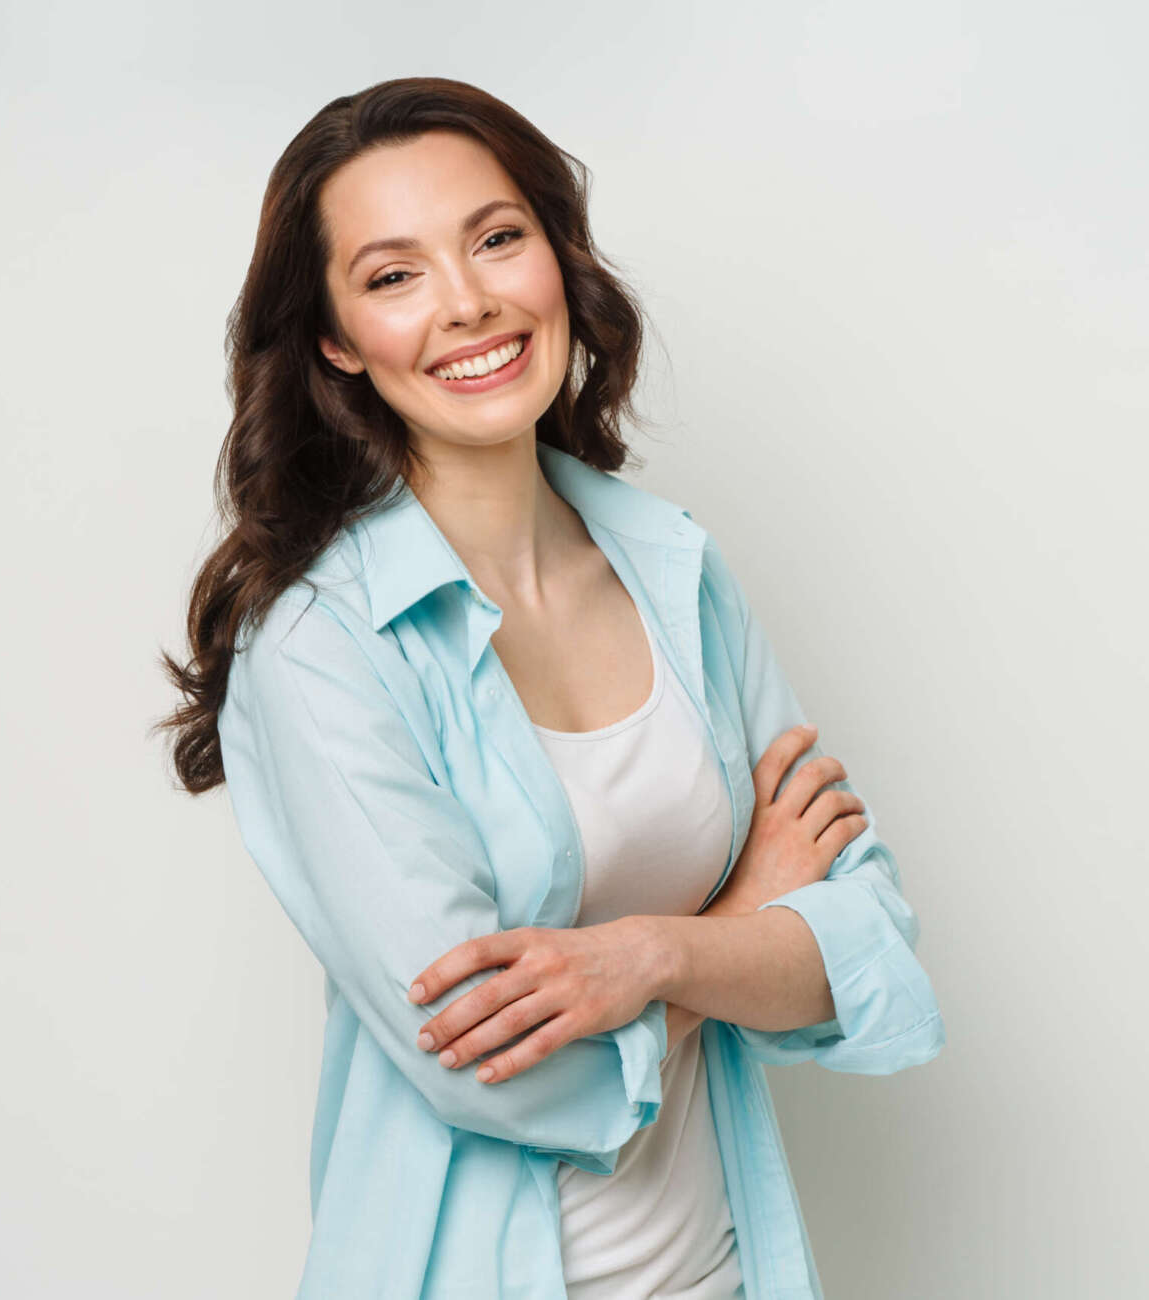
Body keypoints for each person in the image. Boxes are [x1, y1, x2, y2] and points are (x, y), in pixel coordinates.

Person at [156, 76, 946, 1300]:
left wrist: (646, 958)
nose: (466, 302)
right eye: (392, 275)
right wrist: (724, 938)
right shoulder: (321, 646)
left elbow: (863, 938)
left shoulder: (674, 564)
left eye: (495, 238)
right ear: (334, 340)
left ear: (557, 256)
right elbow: (499, 1069)